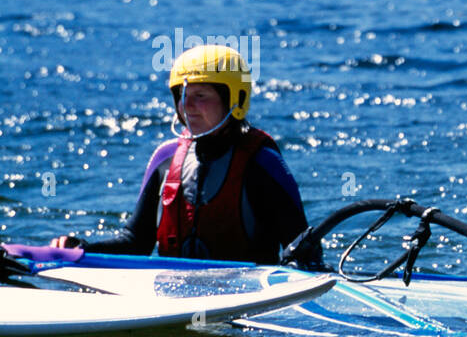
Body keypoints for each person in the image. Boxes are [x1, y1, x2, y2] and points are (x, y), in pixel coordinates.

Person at [52, 43, 312, 264]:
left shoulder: (262, 163)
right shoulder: (164, 160)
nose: (187, 106)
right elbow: (136, 243)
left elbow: (304, 255)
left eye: (200, 95)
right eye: (182, 95)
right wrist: (82, 250)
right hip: (176, 300)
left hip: (247, 305)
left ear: (236, 100)